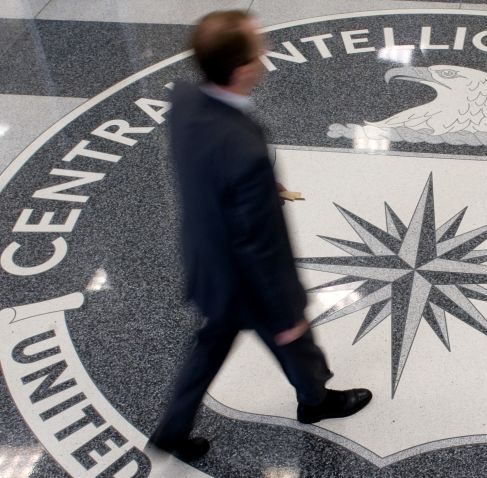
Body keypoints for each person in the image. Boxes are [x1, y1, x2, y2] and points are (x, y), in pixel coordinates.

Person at [149, 10, 372, 461]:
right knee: (295, 337)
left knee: (210, 346)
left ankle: (172, 429)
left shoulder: (187, 99)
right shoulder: (245, 154)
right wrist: (286, 309)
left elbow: (205, 163)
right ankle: (315, 402)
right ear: (242, 69)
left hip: (206, 260)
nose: (265, 54)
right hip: (246, 280)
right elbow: (260, 246)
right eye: (257, 49)